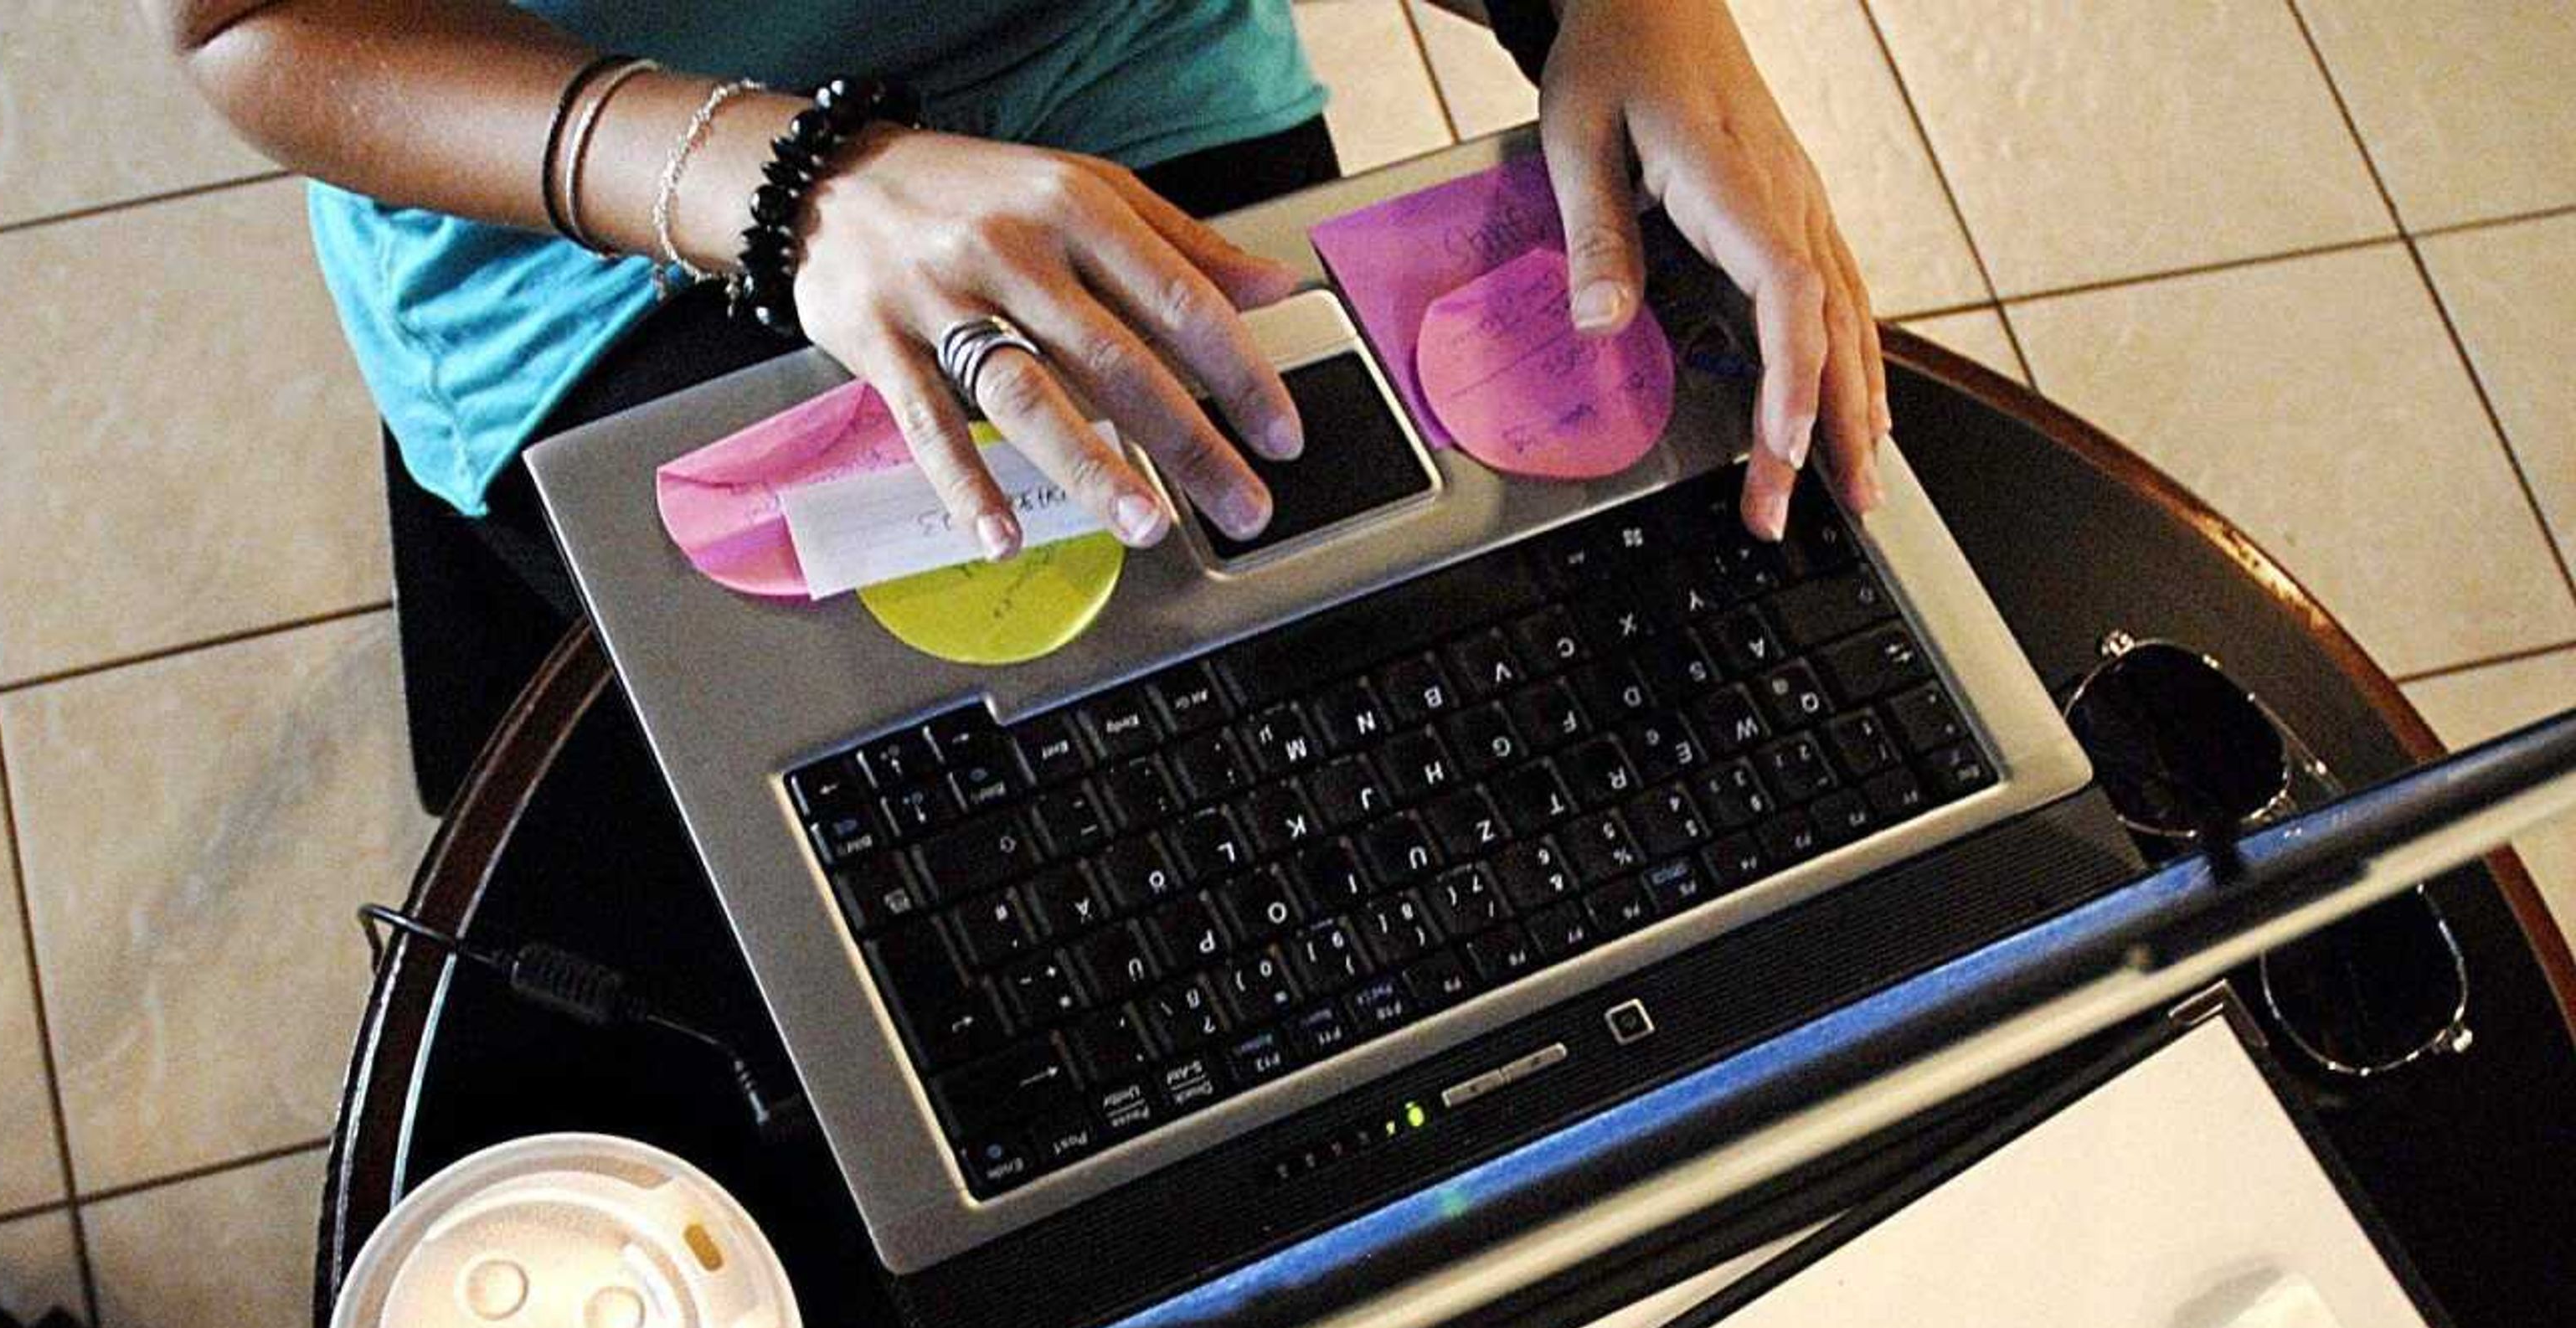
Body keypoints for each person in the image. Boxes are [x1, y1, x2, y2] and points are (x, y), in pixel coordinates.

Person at [153, 0, 1892, 803]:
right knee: (929, 813)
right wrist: (790, 188)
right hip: (597, 164)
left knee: (1356, 712)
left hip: (1114, 58)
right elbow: (262, 26)